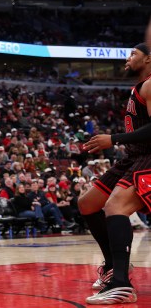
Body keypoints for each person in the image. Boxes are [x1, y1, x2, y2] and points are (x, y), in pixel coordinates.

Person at [79, 43, 151, 305]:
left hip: (148, 157)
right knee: (87, 204)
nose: (128, 58)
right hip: (134, 156)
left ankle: (121, 284)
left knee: (116, 206)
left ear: (149, 59)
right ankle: (114, 267)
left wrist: (114, 138)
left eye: (134, 54)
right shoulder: (140, 86)